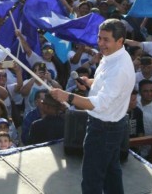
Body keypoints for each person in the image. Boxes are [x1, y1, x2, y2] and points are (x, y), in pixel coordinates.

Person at [50, 19, 136, 194]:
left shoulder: (119, 68)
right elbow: (106, 86)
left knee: (91, 179)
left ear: (120, 41)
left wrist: (68, 96)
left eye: (106, 40)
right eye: (99, 38)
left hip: (104, 129)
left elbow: (100, 104)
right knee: (112, 173)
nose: (101, 44)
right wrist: (90, 83)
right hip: (111, 127)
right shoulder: (112, 56)